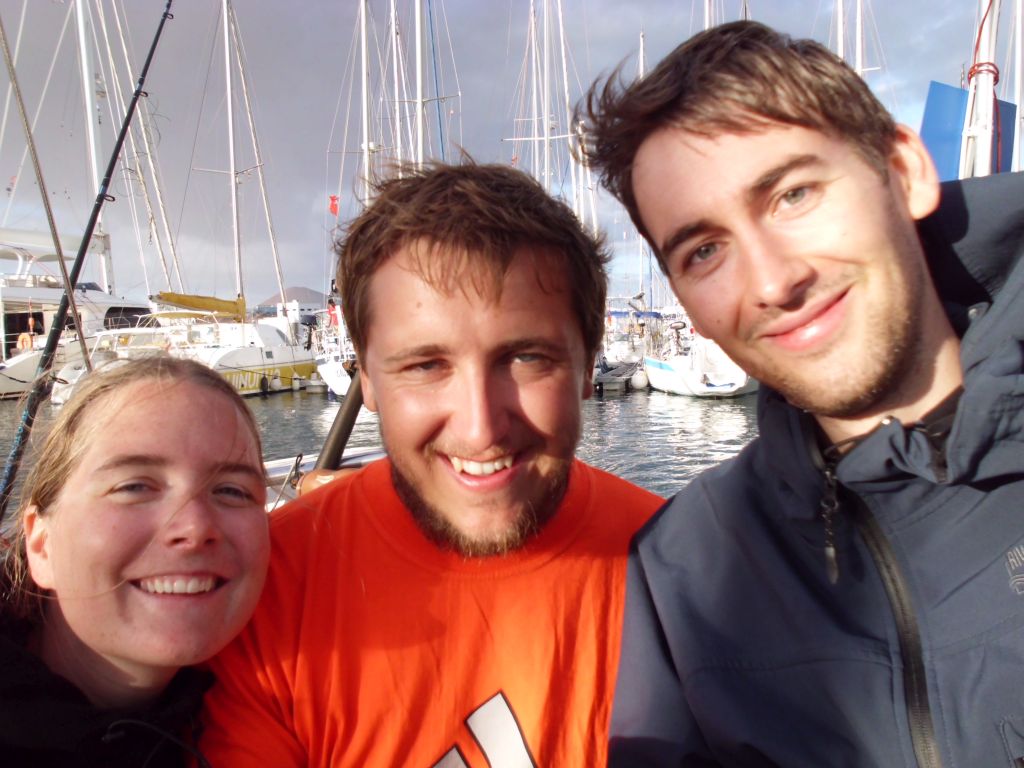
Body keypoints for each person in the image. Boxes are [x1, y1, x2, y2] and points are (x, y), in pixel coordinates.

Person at [580, 20, 1024, 768]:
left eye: (793, 194)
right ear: (686, 302)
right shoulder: (684, 571)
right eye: (705, 250)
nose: (773, 281)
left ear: (905, 171)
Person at [199, 161, 664, 767]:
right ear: (366, 378)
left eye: (526, 358)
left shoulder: (680, 577)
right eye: (425, 366)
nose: (479, 428)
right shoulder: (269, 590)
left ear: (587, 366)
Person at [0, 357, 271, 767]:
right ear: (41, 544)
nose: (195, 527)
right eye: (134, 487)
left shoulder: (248, 711)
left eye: (232, 491)